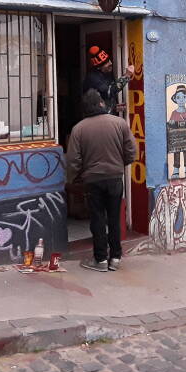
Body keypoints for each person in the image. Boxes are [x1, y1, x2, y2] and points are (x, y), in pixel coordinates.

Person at [67, 88, 136, 272]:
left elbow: (73, 160)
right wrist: (121, 164)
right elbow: (131, 151)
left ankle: (100, 260)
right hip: (114, 177)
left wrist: (75, 179)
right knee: (114, 218)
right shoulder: (119, 123)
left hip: (92, 180)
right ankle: (115, 257)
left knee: (97, 219)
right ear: (101, 103)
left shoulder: (79, 129)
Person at [82, 46, 134, 115]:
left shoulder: (107, 74)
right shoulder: (93, 78)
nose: (110, 63)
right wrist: (126, 76)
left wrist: (115, 108)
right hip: (98, 119)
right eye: (106, 63)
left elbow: (105, 98)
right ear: (99, 67)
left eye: (109, 60)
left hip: (108, 116)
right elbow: (110, 91)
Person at [167, 84, 186, 178]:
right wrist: (172, 122)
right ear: (175, 99)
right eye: (178, 97)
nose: (181, 100)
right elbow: (170, 124)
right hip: (177, 138)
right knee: (176, 152)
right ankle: (176, 169)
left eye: (183, 97)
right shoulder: (173, 113)